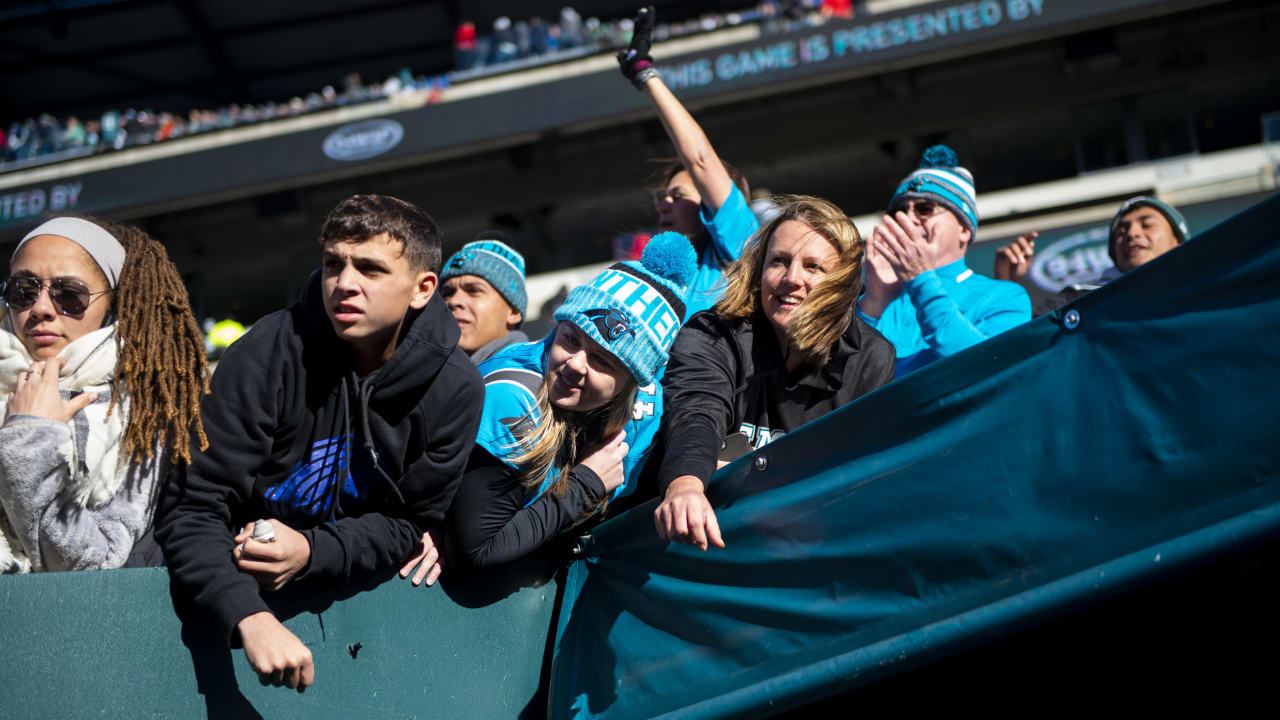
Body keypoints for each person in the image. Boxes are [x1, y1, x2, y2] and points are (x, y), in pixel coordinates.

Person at [155, 194, 484, 692]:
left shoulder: (455, 388)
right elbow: (190, 506)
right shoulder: (267, 350)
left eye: (370, 269)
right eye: (334, 263)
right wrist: (248, 615)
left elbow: (408, 523)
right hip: (219, 601)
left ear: (422, 289)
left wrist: (311, 550)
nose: (344, 283)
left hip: (367, 631)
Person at [442, 231, 696, 571]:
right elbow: (475, 550)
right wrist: (585, 484)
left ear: (631, 383)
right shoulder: (513, 396)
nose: (575, 364)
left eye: (602, 360)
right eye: (571, 339)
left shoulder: (646, 409)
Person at [653, 196, 896, 550]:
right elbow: (696, 412)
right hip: (712, 543)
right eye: (779, 261)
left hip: (811, 547)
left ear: (843, 283)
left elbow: (861, 476)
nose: (791, 278)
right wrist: (686, 486)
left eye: (813, 267)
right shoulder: (712, 334)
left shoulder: (871, 358)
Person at [1, 216, 208, 573]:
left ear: (114, 304)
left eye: (69, 294)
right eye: (24, 291)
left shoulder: (149, 412)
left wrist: (30, 437)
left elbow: (94, 563)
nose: (41, 309)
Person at [617, 6, 760, 320]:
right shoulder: (650, 280)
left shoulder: (740, 245)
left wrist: (643, 74)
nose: (662, 206)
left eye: (678, 196)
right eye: (666, 197)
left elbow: (701, 162)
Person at [856, 145, 1031, 377]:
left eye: (924, 209)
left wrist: (920, 280)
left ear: (964, 230)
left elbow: (987, 368)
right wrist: (874, 301)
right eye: (899, 212)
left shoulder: (1006, 296)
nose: (908, 219)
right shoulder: (875, 300)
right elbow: (845, 384)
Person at [994, 196, 1190, 315]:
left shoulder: (1204, 286)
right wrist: (1005, 282)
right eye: (1121, 232)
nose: (1132, 233)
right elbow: (1019, 346)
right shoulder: (1075, 301)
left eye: (1147, 225)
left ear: (1178, 240)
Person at [440, 232, 529, 364]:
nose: (454, 301)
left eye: (474, 291)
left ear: (514, 312)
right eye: (447, 293)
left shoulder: (519, 374)